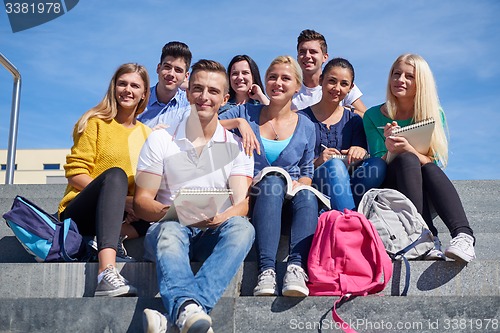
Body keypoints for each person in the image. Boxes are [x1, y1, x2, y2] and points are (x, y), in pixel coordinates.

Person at [135, 59, 255, 333]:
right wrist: (178, 212)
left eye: (213, 92)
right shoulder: (161, 139)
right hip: (168, 228)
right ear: (187, 93)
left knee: (242, 228)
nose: (204, 97)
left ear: (224, 98)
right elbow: (142, 202)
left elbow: (241, 204)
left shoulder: (236, 146)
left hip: (212, 230)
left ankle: (182, 311)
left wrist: (218, 218)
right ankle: (190, 308)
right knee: (170, 230)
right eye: (198, 89)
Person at [220, 55, 318, 297]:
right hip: (254, 197)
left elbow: (307, 172)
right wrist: (239, 122)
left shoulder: (307, 126)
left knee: (307, 194)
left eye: (286, 78)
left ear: (297, 86)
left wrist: (300, 184)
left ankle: (296, 267)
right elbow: (203, 125)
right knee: (272, 180)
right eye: (272, 77)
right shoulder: (246, 111)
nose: (278, 83)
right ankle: (267, 271)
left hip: (289, 203)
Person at [363, 53, 476, 263]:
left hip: (424, 184)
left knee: (426, 166)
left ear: (420, 82)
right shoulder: (372, 115)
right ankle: (425, 235)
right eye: (396, 74)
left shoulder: (433, 113)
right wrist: (392, 147)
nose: (400, 80)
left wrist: (410, 150)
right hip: (391, 186)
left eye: (409, 76)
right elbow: (378, 164)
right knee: (406, 159)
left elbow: (436, 160)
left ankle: (463, 235)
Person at [58, 63, 152, 297]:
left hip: (121, 213)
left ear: (144, 93)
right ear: (114, 87)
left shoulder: (147, 135)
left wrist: (134, 204)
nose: (128, 90)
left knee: (160, 210)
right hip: (81, 211)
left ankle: (100, 239)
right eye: (123, 83)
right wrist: (122, 200)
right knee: (115, 175)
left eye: (135, 85)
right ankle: (106, 273)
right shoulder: (94, 122)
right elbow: (75, 172)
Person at [299, 58, 386, 210]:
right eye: (332, 81)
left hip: (351, 182)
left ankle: (346, 210)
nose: (337, 88)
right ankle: (350, 222)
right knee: (334, 166)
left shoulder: (354, 120)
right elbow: (294, 163)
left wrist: (361, 151)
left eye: (344, 84)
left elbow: (363, 156)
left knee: (377, 165)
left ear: (351, 88)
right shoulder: (302, 119)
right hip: (317, 181)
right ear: (321, 80)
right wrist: (318, 162)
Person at [292, 29, 367, 117]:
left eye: (313, 52)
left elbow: (368, 119)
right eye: (302, 52)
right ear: (297, 57)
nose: (307, 56)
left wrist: (348, 111)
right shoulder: (289, 87)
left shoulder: (342, 84)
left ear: (325, 57)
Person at [137, 41, 192, 129]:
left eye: (178, 70)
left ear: (186, 76)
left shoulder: (189, 105)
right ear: (158, 68)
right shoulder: (138, 100)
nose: (171, 74)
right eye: (167, 67)